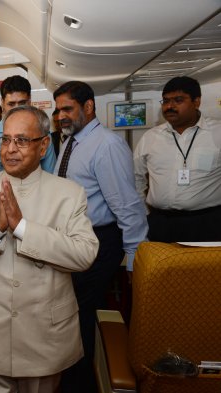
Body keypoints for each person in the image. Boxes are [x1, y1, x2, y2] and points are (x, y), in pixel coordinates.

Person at [0, 105, 99, 393]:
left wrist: (22, 228)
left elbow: (84, 254)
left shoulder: (68, 194)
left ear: (43, 146)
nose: (10, 149)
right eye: (5, 140)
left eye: (21, 140)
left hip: (45, 336)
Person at [53, 81, 148, 393]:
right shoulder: (70, 141)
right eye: (57, 110)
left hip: (99, 241)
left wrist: (135, 260)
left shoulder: (107, 145)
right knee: (75, 311)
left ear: (89, 107)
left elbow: (127, 206)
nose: (60, 116)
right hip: (74, 240)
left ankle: (77, 385)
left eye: (67, 108)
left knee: (77, 313)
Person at [134, 76, 221, 242]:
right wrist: (144, 214)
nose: (169, 106)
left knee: (204, 268)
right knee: (162, 268)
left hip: (207, 223)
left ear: (197, 102)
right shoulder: (151, 137)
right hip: (161, 223)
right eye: (165, 101)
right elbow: (135, 179)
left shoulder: (217, 133)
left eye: (178, 100)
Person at [0, 75, 57, 178]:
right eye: (11, 104)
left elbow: (50, 177)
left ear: (29, 101)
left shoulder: (43, 134)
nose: (17, 110)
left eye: (22, 103)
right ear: (2, 103)